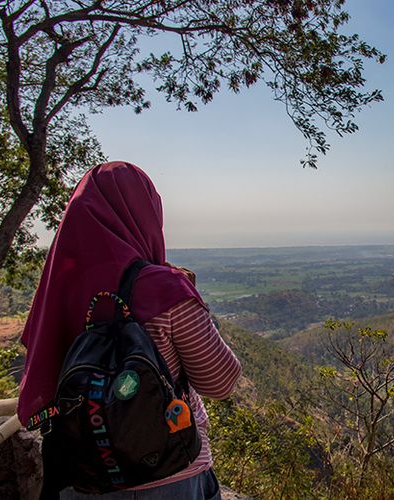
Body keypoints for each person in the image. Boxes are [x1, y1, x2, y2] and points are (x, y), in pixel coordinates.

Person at [17, 161, 242, 499]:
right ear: (146, 213)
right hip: (168, 477)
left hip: (83, 477)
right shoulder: (163, 288)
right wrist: (190, 300)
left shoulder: (56, 290)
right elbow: (221, 382)